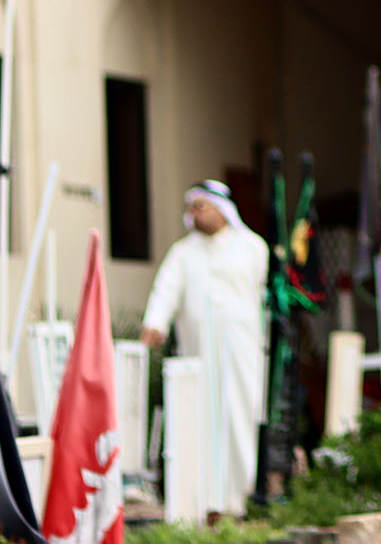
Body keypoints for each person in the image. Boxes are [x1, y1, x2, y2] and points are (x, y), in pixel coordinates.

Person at [140, 179, 269, 518]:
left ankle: (235, 502)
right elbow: (166, 289)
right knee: (198, 422)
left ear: (222, 210)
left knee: (236, 419)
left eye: (201, 207)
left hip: (240, 353)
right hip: (197, 355)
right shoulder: (183, 252)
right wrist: (156, 322)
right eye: (192, 208)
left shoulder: (252, 247)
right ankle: (201, 502)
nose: (194, 214)